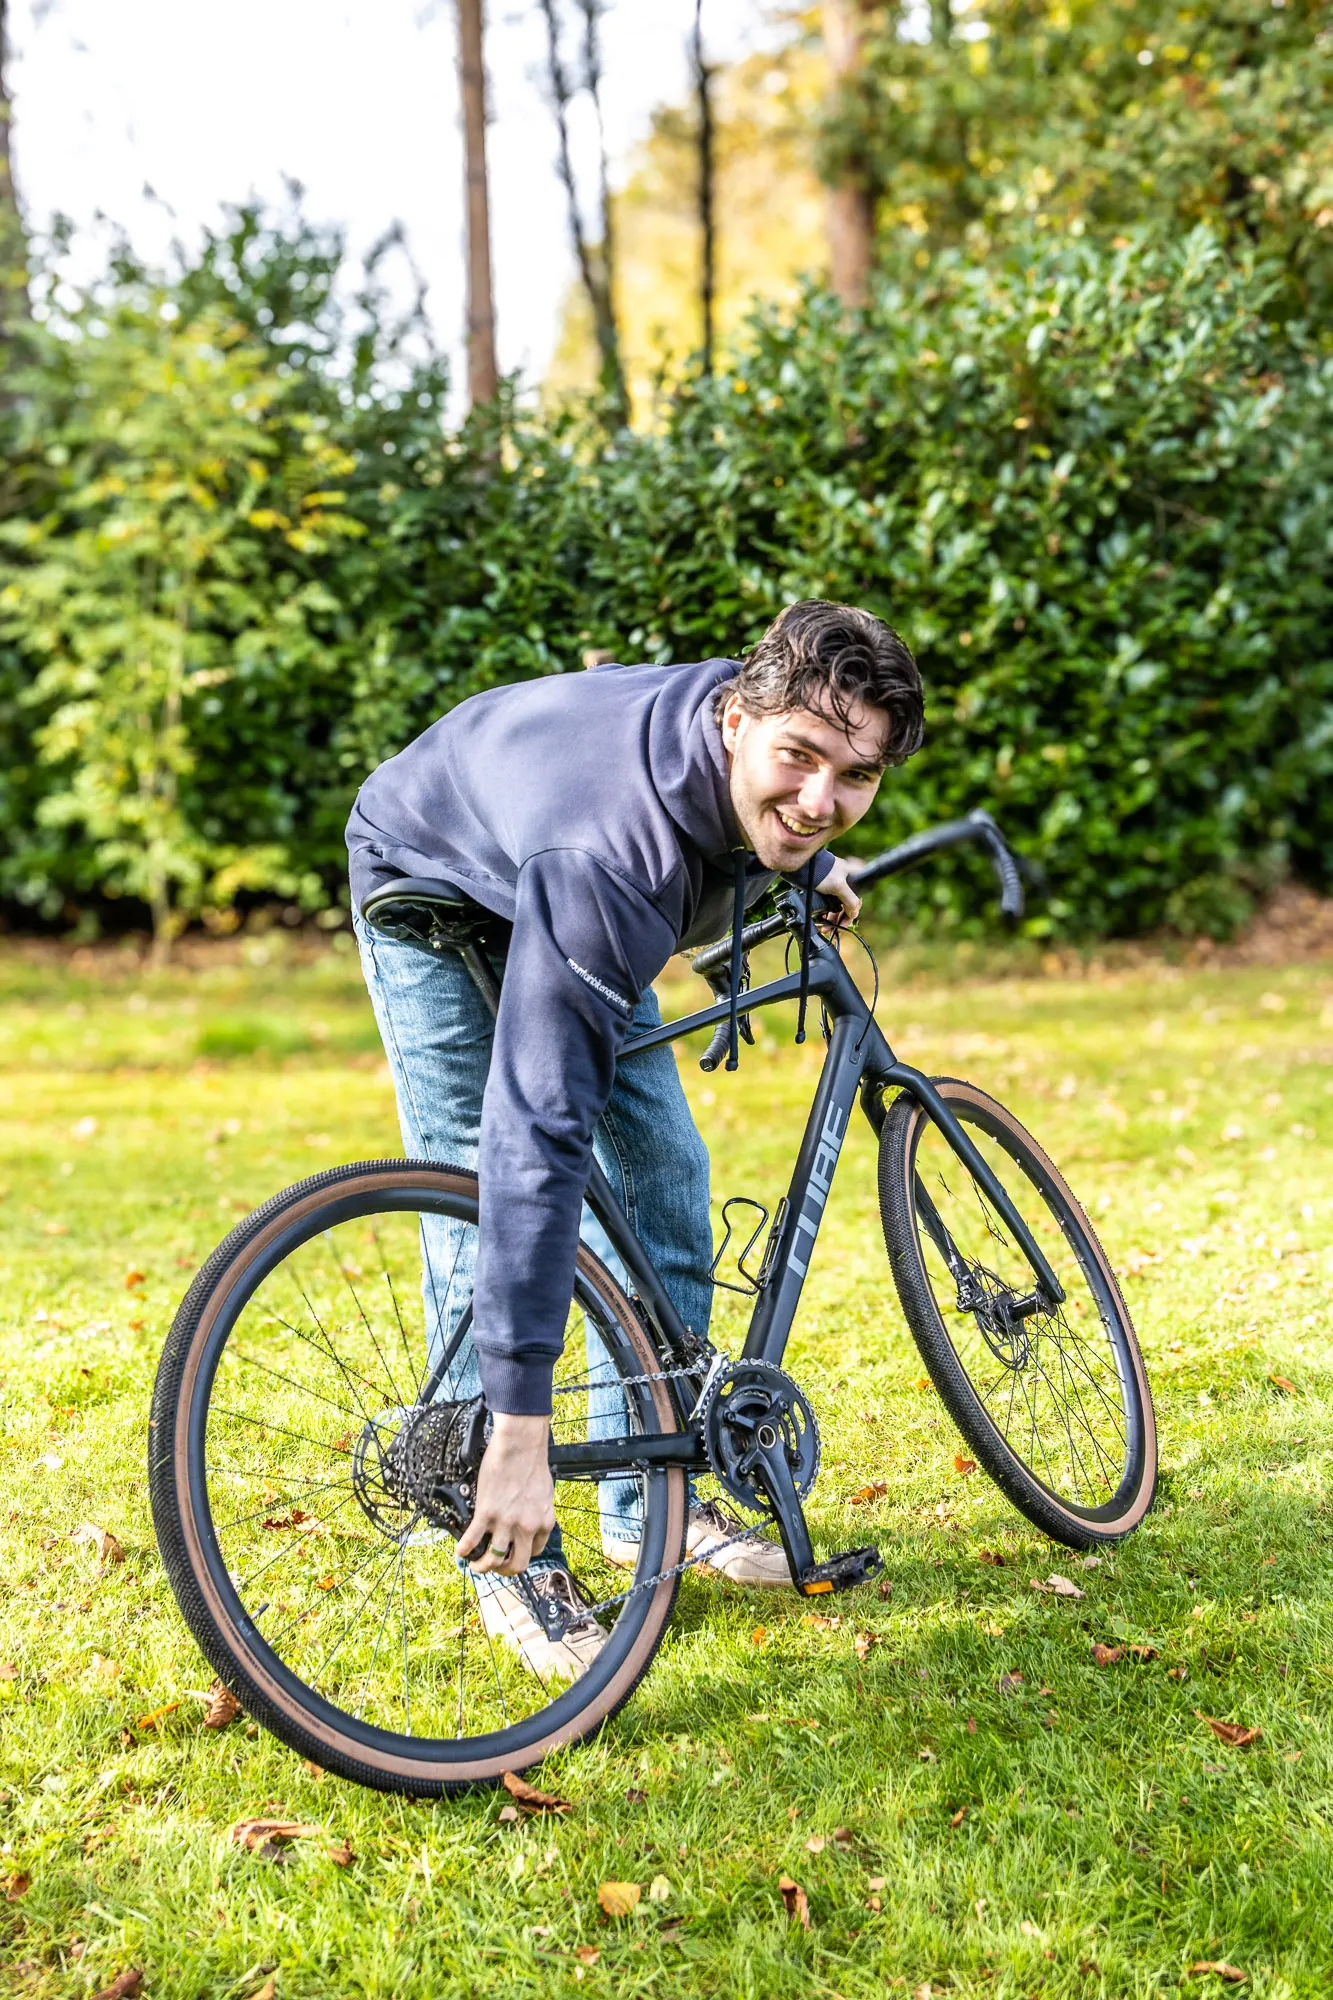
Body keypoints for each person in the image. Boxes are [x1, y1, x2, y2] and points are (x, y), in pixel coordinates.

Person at [347, 599, 924, 1675]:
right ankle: (506, 1529)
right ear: (735, 718)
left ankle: (643, 1500)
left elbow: (776, 806)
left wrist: (802, 860)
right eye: (799, 759)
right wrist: (524, 1421)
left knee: (665, 1172)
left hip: (561, 871)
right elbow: (537, 1136)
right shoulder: (616, 857)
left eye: (856, 778)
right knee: (481, 1200)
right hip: (435, 870)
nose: (821, 797)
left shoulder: (762, 729)